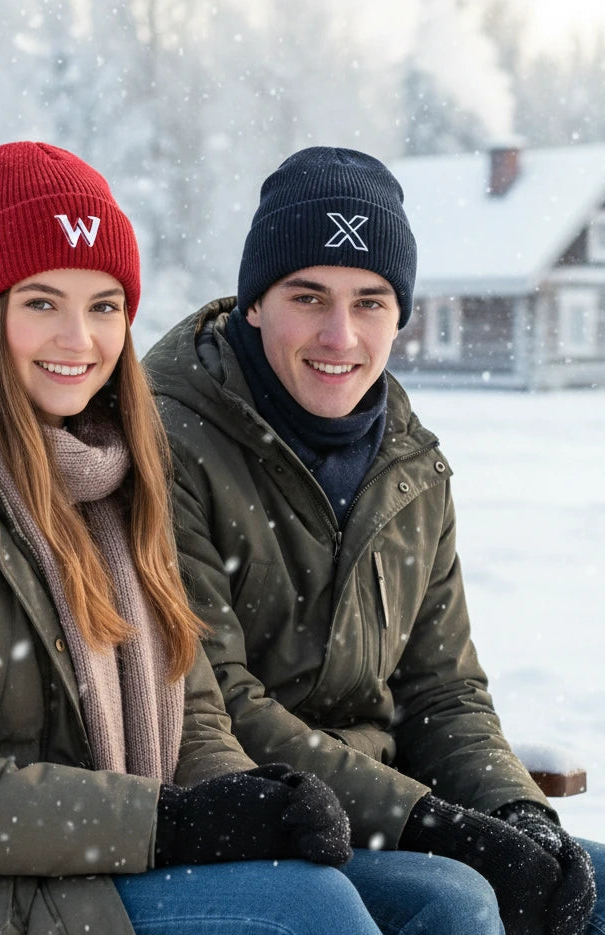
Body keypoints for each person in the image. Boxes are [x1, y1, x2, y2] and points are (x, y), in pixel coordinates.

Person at [0, 141, 387, 935]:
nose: (78, 338)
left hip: (78, 868)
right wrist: (170, 823)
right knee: (308, 911)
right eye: (41, 303)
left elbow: (193, 712)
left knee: (433, 900)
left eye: (103, 306)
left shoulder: (114, 477)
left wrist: (249, 808)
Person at [143, 145, 605, 935]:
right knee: (452, 901)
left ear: (400, 315)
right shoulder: (168, 443)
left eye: (369, 302)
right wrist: (433, 824)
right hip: (255, 816)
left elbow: (442, 689)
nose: (339, 334)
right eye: (308, 297)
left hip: (389, 804)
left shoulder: (408, 465)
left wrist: (513, 811)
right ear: (253, 304)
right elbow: (219, 703)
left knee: (589, 883)